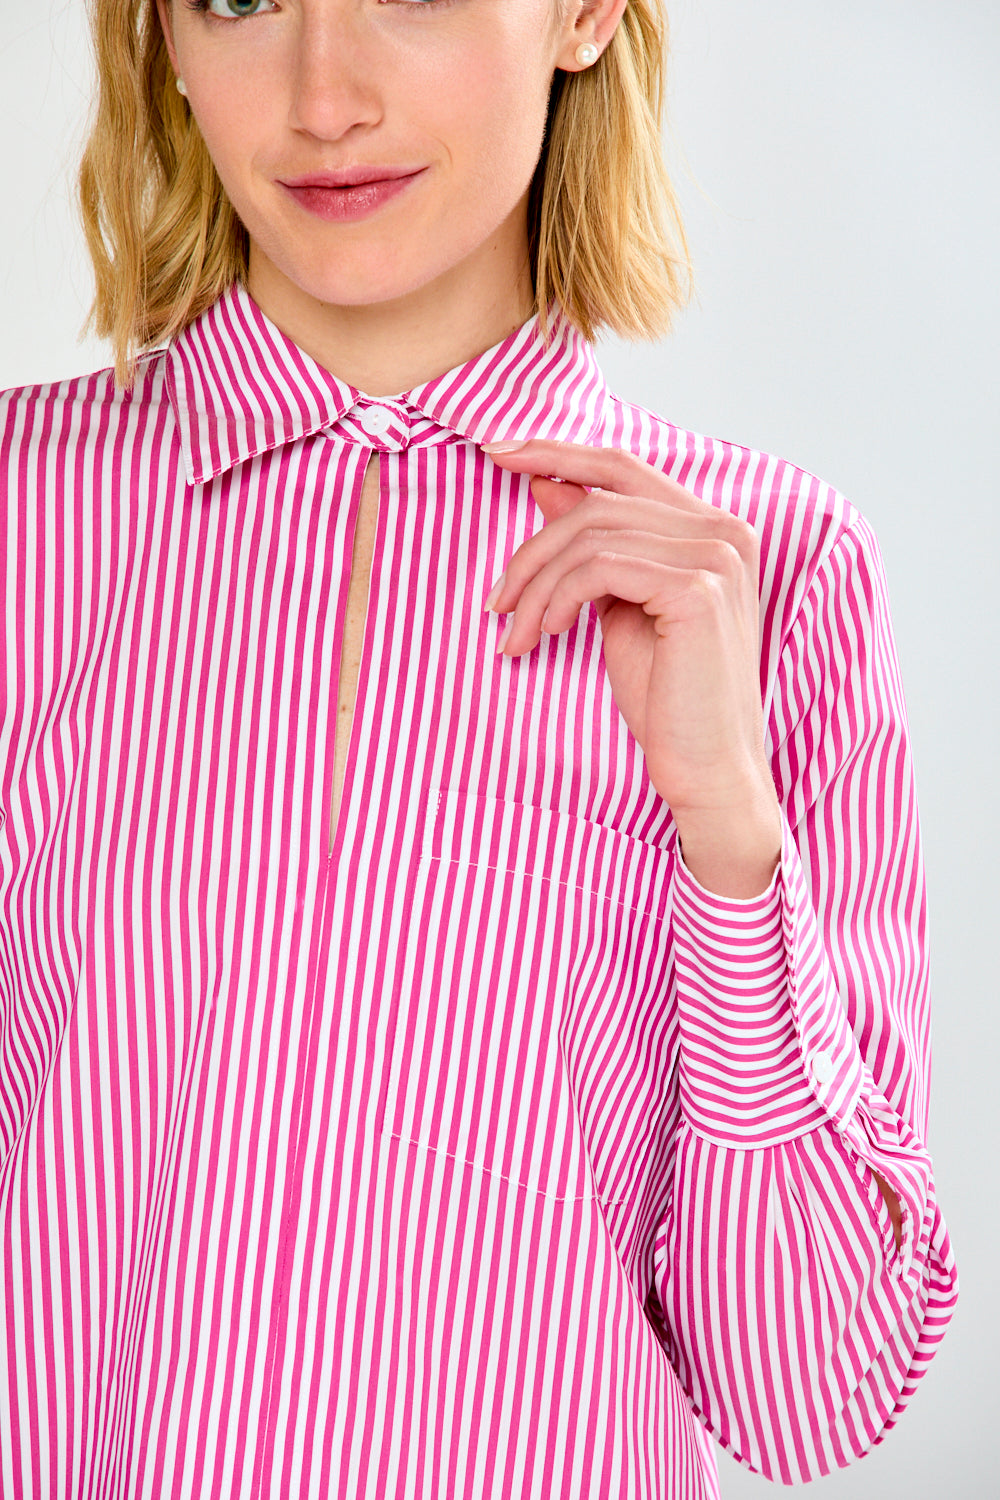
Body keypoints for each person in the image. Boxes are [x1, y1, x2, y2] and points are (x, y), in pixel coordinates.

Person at [0, 0, 958, 1494]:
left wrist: (725, 834)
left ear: (584, 14)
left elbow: (811, 1396)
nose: (324, 100)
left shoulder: (775, 575)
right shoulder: (18, 516)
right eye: (240, 0)